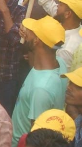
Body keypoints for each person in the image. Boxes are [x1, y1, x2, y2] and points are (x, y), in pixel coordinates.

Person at [12, 16, 68, 146]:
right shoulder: (60, 63)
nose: (27, 31)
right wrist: (29, 42)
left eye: (31, 31)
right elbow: (37, 66)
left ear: (37, 41)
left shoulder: (41, 89)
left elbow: (37, 136)